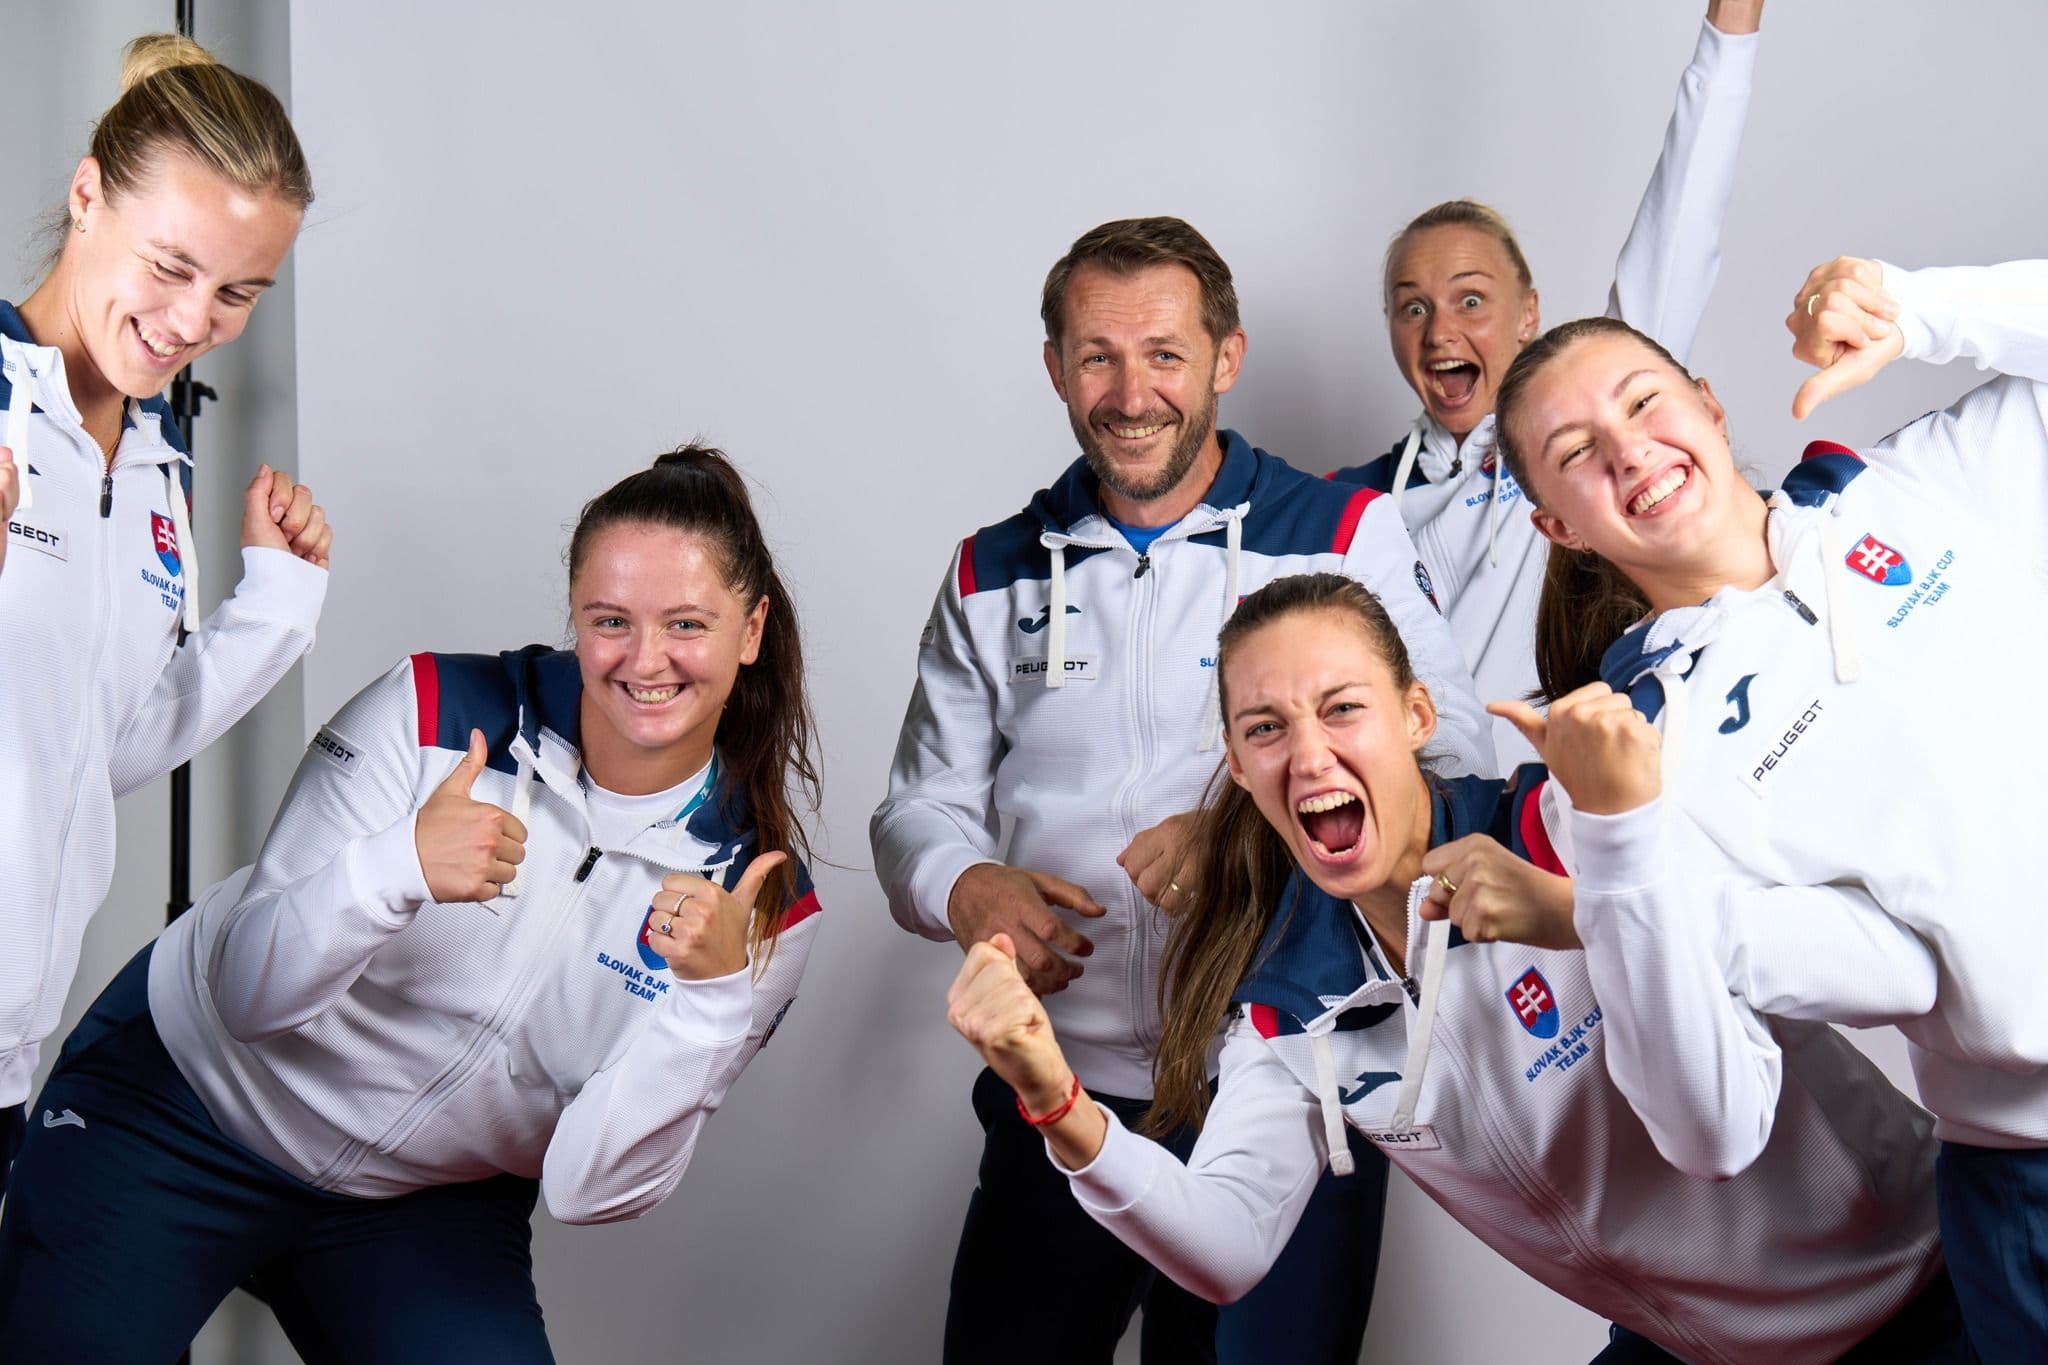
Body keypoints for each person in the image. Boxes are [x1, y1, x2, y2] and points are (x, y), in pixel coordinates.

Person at [948, 571, 1969, 1365]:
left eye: (1340, 708)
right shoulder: (1292, 1011)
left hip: (1930, 1295)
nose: (1306, 757)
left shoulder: (1569, 822)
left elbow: (1870, 948)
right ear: (1236, 755)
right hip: (1704, 1349)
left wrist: (1586, 908)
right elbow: (1225, 1248)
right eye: (1265, 728)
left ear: (1416, 717)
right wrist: (1051, 1094)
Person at [0, 447, 825, 1363]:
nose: (645, 659)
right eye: (610, 620)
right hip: (183, 1111)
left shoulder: (760, 904)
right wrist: (397, 868)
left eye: (686, 623)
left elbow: (587, 1190)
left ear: (750, 629)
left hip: (419, 1205)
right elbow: (247, 995)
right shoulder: (431, 708)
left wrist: (710, 1003)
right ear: (575, 618)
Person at [872, 217, 1491, 1363]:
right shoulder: (988, 567)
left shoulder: (1344, 535)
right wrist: (964, 886)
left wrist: (1248, 837)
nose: (1129, 391)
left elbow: (1451, 761)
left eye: (1162, 353)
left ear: (1224, 358)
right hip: (1058, 1090)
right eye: (1095, 355)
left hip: (1289, 1087)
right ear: (1055, 366)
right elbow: (915, 807)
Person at [1487, 256, 2048, 1358]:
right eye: (1574, 455)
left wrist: (1921, 308)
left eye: (1642, 401)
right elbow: (1709, 1129)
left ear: (1707, 402)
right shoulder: (1638, 765)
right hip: (2028, 1181)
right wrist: (1615, 851)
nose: (1627, 449)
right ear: (1556, 527)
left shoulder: (1921, 487)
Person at [0, 33, 330, 1189]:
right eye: (172, 267)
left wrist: (275, 614)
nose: (195, 321)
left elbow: (86, 751)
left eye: (239, 292)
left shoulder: (156, 463)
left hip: (8, 1044)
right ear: (88, 193)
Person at [1329, 0, 1762, 765]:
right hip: (1427, 844)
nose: (1440, 331)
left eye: (1471, 299)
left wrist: (1730, 29)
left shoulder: (1588, 460)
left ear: (1529, 312)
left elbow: (1683, 220)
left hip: (1583, 815)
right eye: (1412, 308)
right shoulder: (1355, 507)